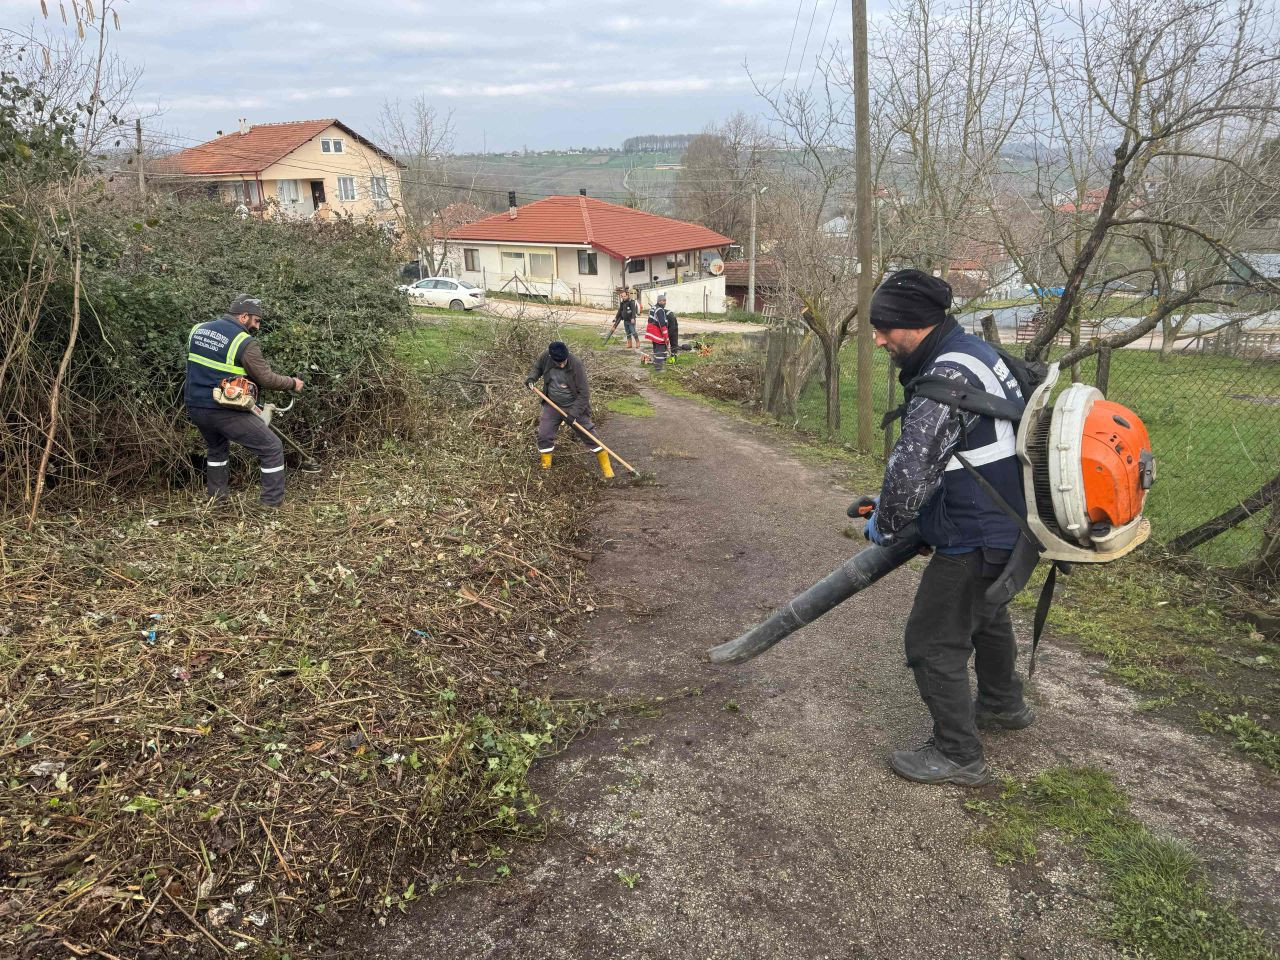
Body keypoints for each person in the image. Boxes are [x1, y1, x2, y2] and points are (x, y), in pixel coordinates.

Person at [863, 269, 1032, 787]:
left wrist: (886, 525)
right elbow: (959, 452)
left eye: (886, 327)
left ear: (917, 325)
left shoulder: (946, 377)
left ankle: (958, 755)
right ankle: (1004, 704)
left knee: (933, 640)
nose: (879, 338)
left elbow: (912, 469)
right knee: (984, 612)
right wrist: (899, 507)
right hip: (1012, 522)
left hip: (976, 530)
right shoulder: (975, 352)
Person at [184, 295, 303, 507]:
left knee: (217, 448)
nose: (257, 327)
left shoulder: (198, 329)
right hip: (222, 409)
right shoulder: (244, 342)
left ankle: (216, 500)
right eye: (256, 321)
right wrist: (292, 383)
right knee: (272, 447)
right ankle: (271, 505)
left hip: (195, 405)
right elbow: (266, 378)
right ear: (244, 315)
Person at [524, 341, 613, 478]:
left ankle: (608, 471)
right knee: (544, 435)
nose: (561, 364)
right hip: (552, 404)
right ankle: (545, 471)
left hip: (573, 405)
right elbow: (537, 368)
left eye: (563, 362)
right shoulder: (545, 357)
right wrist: (531, 378)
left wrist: (573, 414)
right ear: (551, 357)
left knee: (590, 436)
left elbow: (584, 394)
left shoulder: (575, 363)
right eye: (558, 363)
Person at [644, 293, 670, 370]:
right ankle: (658, 368)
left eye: (665, 301)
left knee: (656, 349)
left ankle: (657, 364)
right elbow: (662, 324)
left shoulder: (654, 307)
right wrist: (666, 337)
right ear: (659, 301)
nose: (665, 302)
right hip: (657, 333)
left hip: (652, 333)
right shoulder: (659, 310)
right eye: (663, 301)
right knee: (660, 349)